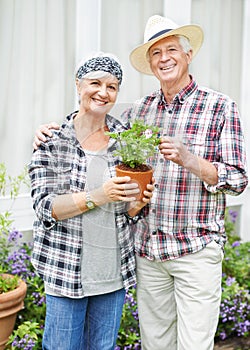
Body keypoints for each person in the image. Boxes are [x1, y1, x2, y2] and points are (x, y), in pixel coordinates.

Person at [33, 15, 248, 350]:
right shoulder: (139, 112)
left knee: (194, 345)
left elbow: (237, 180)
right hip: (147, 250)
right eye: (156, 53)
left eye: (172, 49)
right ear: (150, 63)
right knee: (154, 345)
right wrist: (50, 130)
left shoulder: (219, 107)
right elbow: (91, 130)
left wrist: (190, 160)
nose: (165, 58)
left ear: (188, 54)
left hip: (195, 248)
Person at [28, 52, 154, 350]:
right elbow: (47, 207)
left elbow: (128, 212)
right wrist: (99, 195)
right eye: (95, 83)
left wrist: (137, 204)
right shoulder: (54, 141)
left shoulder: (126, 139)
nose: (103, 92)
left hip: (111, 275)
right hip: (64, 270)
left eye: (112, 87)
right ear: (78, 85)